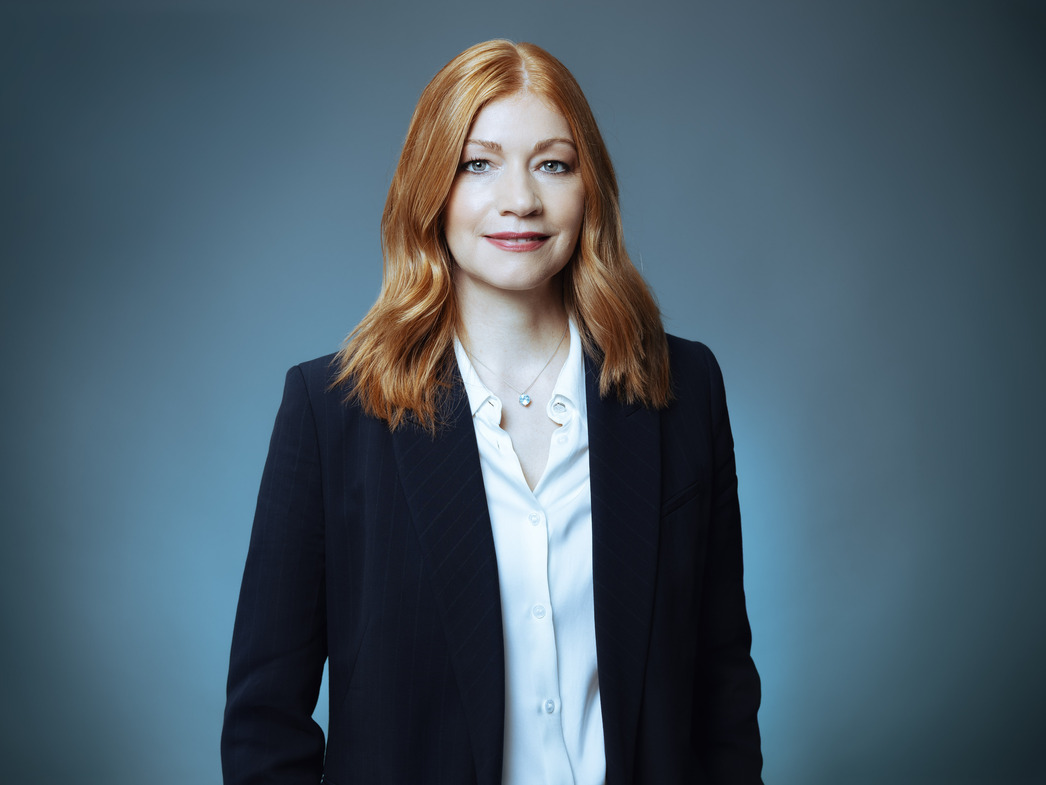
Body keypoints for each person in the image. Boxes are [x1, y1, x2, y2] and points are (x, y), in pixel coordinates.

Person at [221, 39, 762, 785]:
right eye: (479, 164)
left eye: (553, 164)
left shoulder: (684, 388)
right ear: (431, 188)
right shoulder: (331, 412)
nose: (521, 200)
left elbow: (722, 685)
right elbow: (264, 722)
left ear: (590, 189)